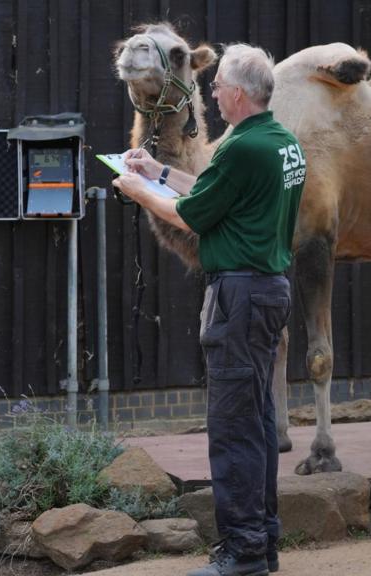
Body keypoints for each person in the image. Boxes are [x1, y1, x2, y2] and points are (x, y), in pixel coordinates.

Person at [112, 43, 306, 576]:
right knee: (259, 421)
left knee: (232, 428)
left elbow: (193, 214)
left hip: (239, 298)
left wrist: (136, 189)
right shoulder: (280, 142)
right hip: (268, 290)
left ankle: (240, 551)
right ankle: (262, 542)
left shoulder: (241, 148)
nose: (211, 93)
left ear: (238, 94)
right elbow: (215, 193)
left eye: (218, 84)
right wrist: (157, 170)